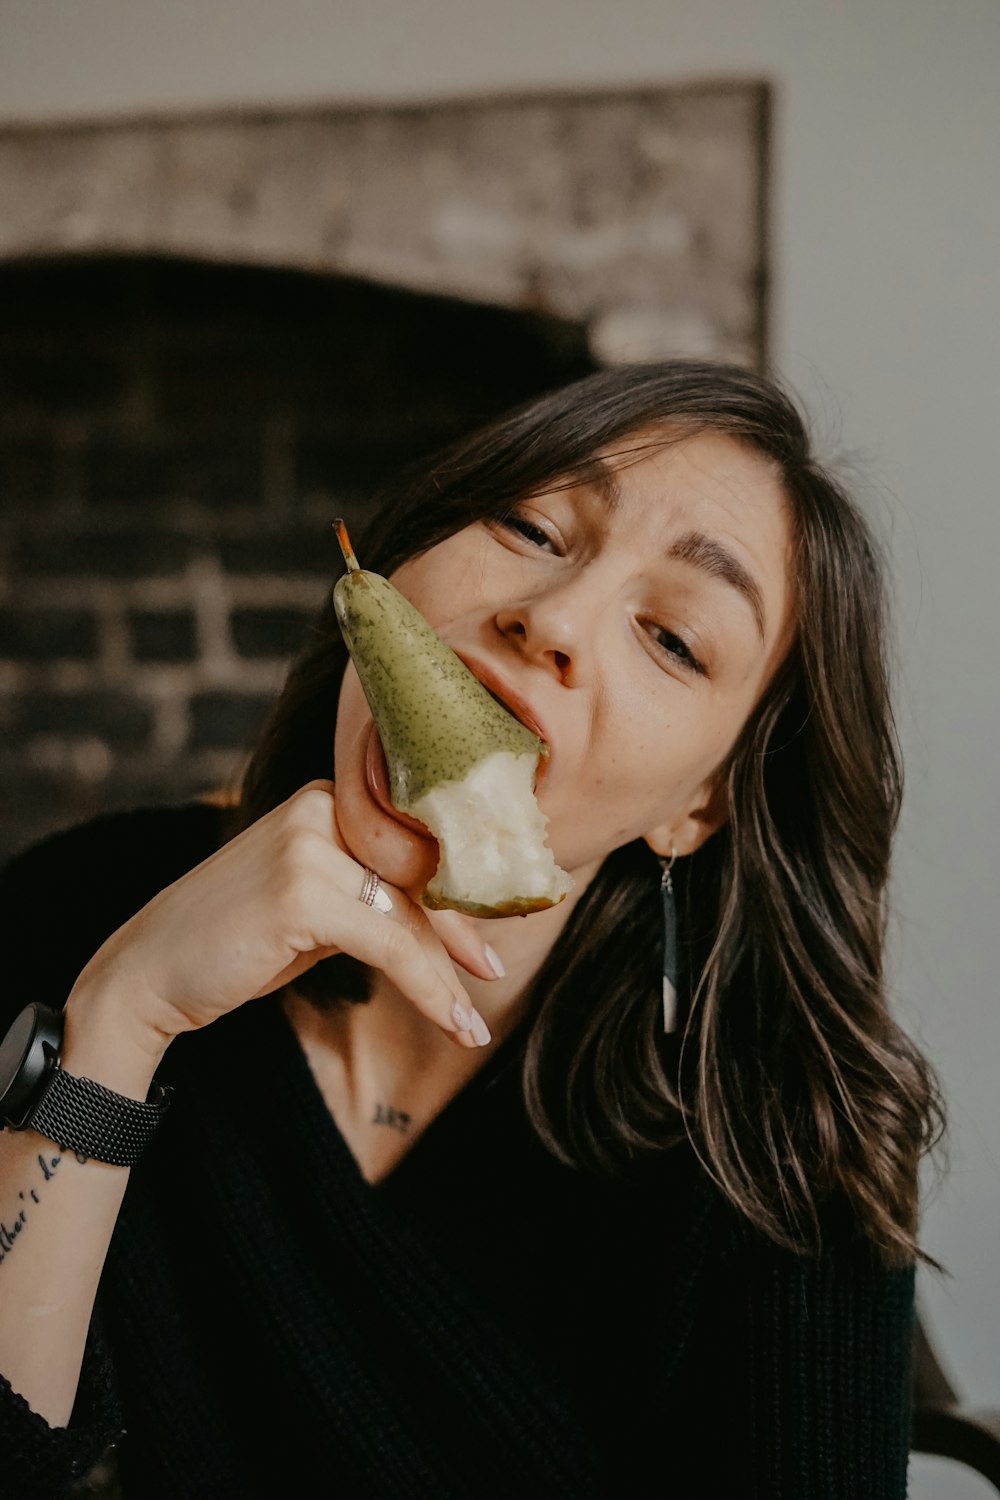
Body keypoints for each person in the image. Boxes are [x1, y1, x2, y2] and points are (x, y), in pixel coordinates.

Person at [0, 361, 943, 1499]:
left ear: (701, 805)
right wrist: (126, 1011)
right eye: (532, 526)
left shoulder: (780, 1144)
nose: (547, 618)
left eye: (675, 639)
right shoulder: (81, 908)